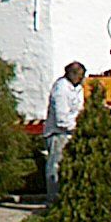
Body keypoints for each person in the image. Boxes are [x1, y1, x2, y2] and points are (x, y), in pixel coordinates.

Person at [43, 61, 87, 204]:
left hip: (71, 132)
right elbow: (61, 119)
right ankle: (53, 199)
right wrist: (78, 125)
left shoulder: (77, 88)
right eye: (80, 76)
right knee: (56, 167)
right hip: (58, 134)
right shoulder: (61, 90)